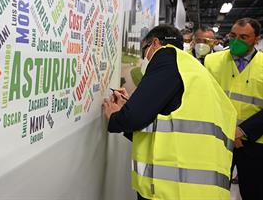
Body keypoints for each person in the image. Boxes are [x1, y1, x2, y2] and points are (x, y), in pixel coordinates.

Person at [103, 24, 236, 200]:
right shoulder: (187, 67)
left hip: (172, 189)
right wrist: (130, 104)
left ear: (155, 43)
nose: (144, 57)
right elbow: (166, 121)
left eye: (144, 51)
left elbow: (134, 118)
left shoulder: (165, 57)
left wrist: (116, 116)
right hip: (196, 186)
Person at [205, 18, 263, 199]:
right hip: (219, 138)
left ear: (257, 39)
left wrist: (243, 131)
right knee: (212, 190)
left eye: (243, 37)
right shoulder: (211, 61)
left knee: (253, 191)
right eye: (233, 36)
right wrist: (230, 131)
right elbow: (207, 100)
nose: (236, 41)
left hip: (255, 142)